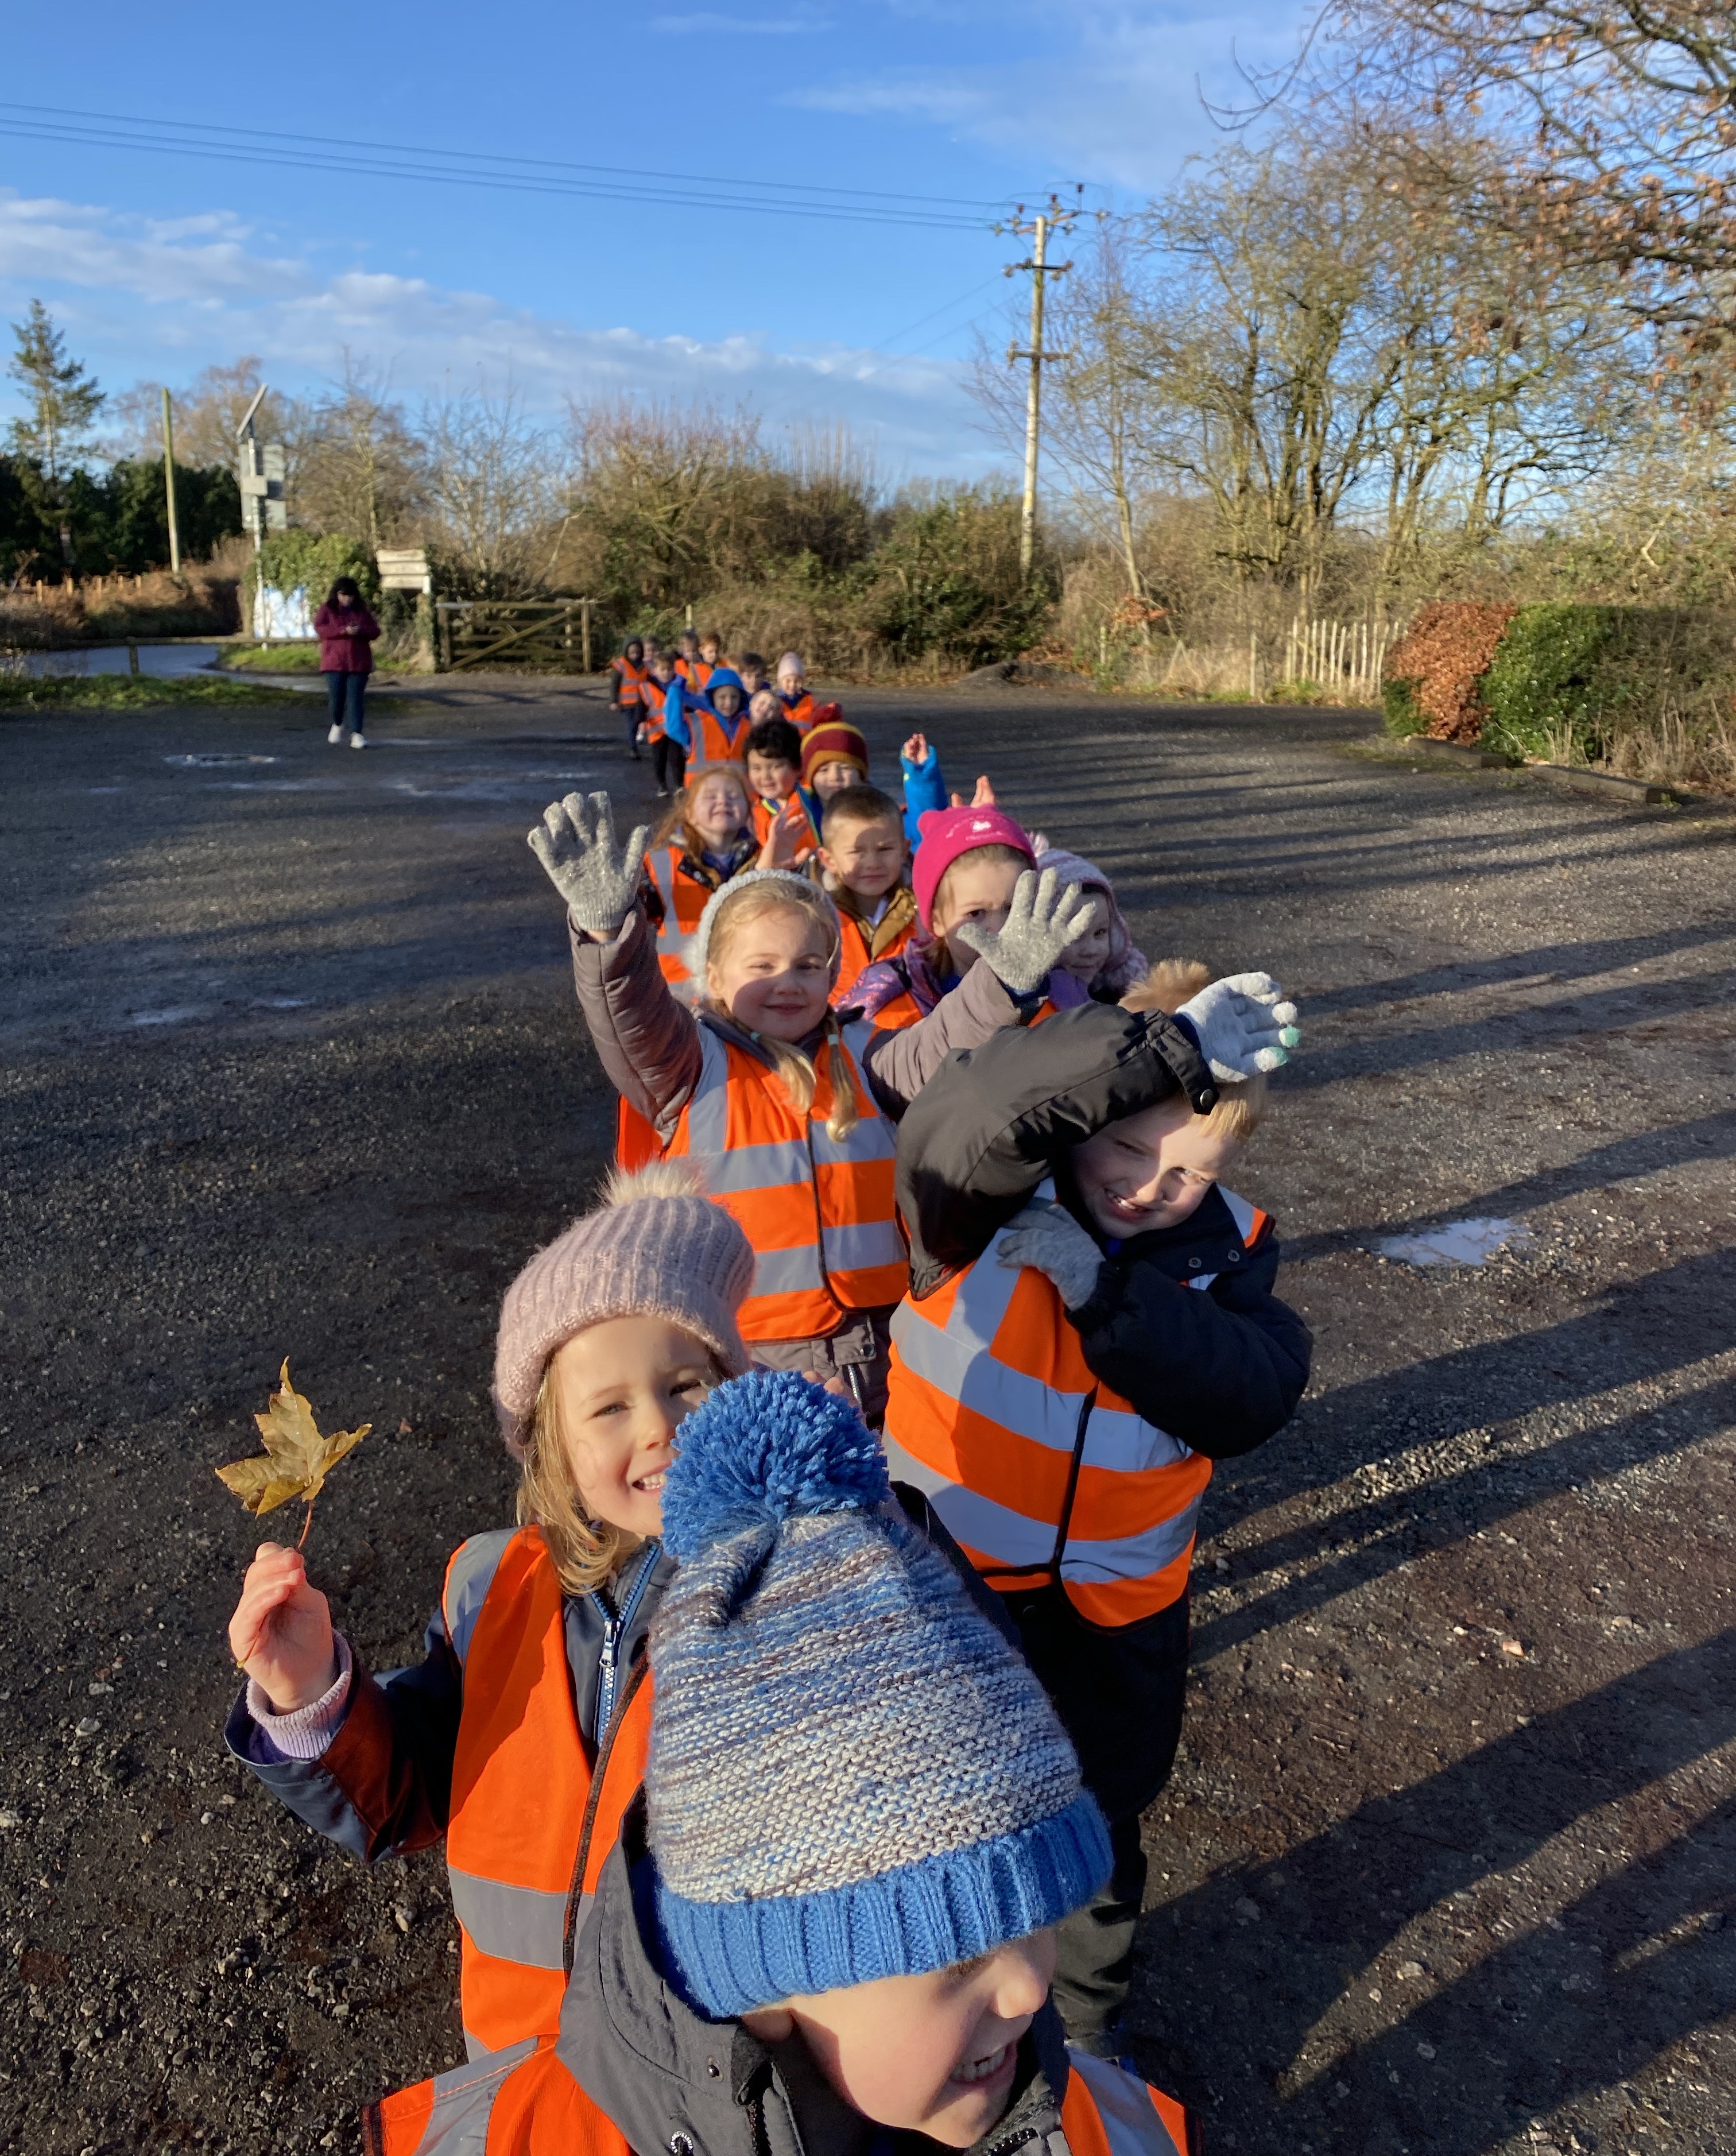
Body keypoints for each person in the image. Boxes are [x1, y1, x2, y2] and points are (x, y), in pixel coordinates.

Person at [364, 1370, 1199, 2156]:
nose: (1032, 1992)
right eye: (957, 1960)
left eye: (1035, 1917)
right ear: (759, 1992)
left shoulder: (1088, 2126)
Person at [223, 1165, 755, 2059]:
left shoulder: (784, 1584)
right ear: (551, 1446)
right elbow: (407, 1797)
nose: (657, 1427)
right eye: (609, 1407)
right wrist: (310, 1689)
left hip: (705, 2088)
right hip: (522, 2073)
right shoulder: (489, 1588)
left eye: (686, 1386)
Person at [881, 966, 1307, 2053]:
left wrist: (1107, 1293)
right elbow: (963, 1111)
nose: (1148, 1186)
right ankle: (927, 2005)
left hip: (1119, 1613)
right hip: (953, 1590)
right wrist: (1163, 1050)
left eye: (1189, 1169)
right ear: (1080, 1118)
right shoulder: (973, 1210)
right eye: (1124, 1147)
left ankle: (1080, 2022)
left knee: (1096, 1823)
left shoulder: (1232, 1251)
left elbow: (1252, 1394)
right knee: (940, 1807)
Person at [528, 796, 1095, 1419]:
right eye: (762, 966)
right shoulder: (685, 1065)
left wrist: (1005, 981)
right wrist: (609, 935)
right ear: (714, 975)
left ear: (831, 976)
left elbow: (944, 1041)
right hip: (747, 1354)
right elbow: (631, 1012)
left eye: (806, 966)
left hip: (885, 1343)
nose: (787, 982)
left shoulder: (869, 1055)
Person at [845, 800, 1039, 1025]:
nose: (1000, 929)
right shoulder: (886, 999)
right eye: (975, 913)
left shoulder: (1062, 987)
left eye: (1014, 908)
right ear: (936, 920)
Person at [638, 763, 761, 988]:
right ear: (689, 813)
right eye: (711, 796)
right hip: (682, 992)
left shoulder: (764, 859)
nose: (723, 801)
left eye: (734, 796)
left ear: (747, 812)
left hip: (748, 988)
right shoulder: (660, 862)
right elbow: (634, 916)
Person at [816, 782, 919, 1010]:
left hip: (919, 1027)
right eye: (857, 852)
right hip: (838, 1028)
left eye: (884, 849)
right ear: (829, 860)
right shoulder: (815, 915)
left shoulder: (926, 906)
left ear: (904, 851)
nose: (872, 863)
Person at [1028, 836, 1150, 1007]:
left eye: (1100, 932)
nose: (1091, 950)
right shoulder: (1029, 1005)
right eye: (1074, 935)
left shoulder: (1130, 987)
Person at [314, 575, 379, 750]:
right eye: (343, 595)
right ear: (336, 594)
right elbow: (321, 629)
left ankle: (357, 734)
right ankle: (337, 723)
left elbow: (375, 631)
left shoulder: (362, 611)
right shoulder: (327, 609)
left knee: (355, 699)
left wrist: (361, 631)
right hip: (334, 662)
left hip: (359, 662)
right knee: (337, 698)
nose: (347, 599)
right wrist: (343, 630)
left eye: (350, 595)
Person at [743, 717, 822, 854]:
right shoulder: (748, 811)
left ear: (798, 767)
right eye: (756, 768)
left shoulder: (815, 802)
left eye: (776, 767)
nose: (765, 776)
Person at [666, 664, 751, 767]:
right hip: (703, 777)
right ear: (712, 698)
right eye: (722, 697)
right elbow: (674, 729)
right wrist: (674, 692)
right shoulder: (698, 724)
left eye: (734, 697)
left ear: (741, 699)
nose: (729, 703)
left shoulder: (748, 725)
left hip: (736, 778)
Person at [639, 647, 683, 796]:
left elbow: (688, 703)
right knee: (659, 759)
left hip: (675, 728)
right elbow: (641, 706)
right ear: (655, 670)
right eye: (663, 670)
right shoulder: (647, 686)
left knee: (677, 757)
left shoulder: (679, 684)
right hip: (657, 730)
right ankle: (662, 785)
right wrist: (640, 721)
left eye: (669, 669)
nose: (666, 673)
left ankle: (679, 785)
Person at [800, 717, 870, 802]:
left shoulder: (877, 808)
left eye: (845, 768)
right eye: (824, 770)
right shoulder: (798, 808)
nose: (835, 777)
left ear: (861, 777)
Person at [608, 636, 647, 760]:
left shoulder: (644, 666)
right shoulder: (621, 665)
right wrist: (614, 701)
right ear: (626, 652)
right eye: (632, 653)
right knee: (632, 726)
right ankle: (633, 748)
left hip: (641, 703)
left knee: (639, 725)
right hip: (627, 704)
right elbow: (614, 684)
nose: (635, 655)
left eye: (637, 653)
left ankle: (635, 745)